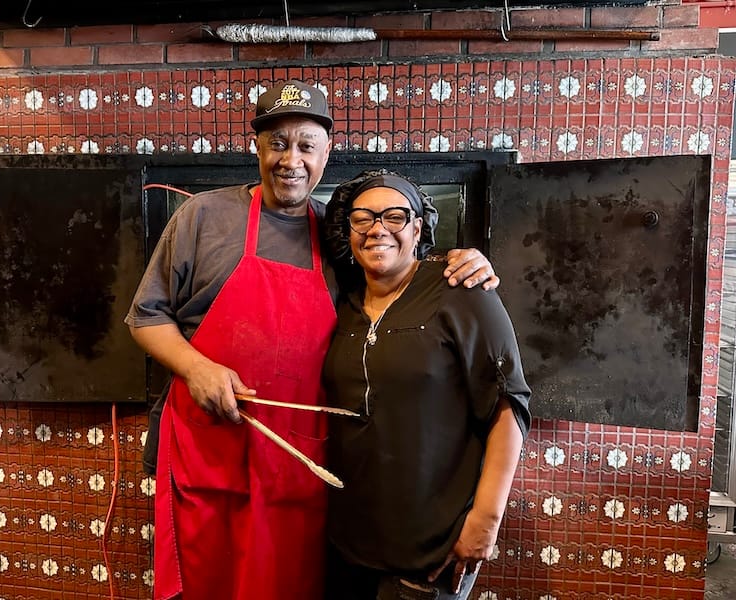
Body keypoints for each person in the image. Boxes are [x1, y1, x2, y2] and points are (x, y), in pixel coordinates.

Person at [125, 80, 499, 600]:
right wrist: (196, 368)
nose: (290, 160)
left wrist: (463, 261)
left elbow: (394, 270)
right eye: (277, 143)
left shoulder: (337, 233)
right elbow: (146, 317)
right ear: (256, 147)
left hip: (295, 463)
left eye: (306, 146)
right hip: (208, 449)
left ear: (326, 153)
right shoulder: (202, 217)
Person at [321, 169, 532, 600]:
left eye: (394, 216)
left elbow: (508, 405)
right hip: (350, 545)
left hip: (432, 549)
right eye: (363, 218)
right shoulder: (340, 303)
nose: (378, 229)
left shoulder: (462, 291)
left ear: (418, 227)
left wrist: (486, 520)